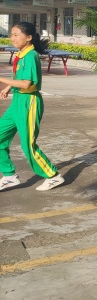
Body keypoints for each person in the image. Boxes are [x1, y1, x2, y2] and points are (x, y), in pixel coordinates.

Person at [0, 22, 64, 191]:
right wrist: (8, 87)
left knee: (28, 145)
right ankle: (9, 176)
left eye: (16, 35)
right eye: (11, 34)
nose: (12, 38)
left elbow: (26, 83)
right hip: (17, 102)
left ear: (28, 38)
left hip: (29, 103)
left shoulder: (30, 55)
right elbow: (18, 77)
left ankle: (53, 176)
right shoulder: (21, 53)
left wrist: (2, 80)